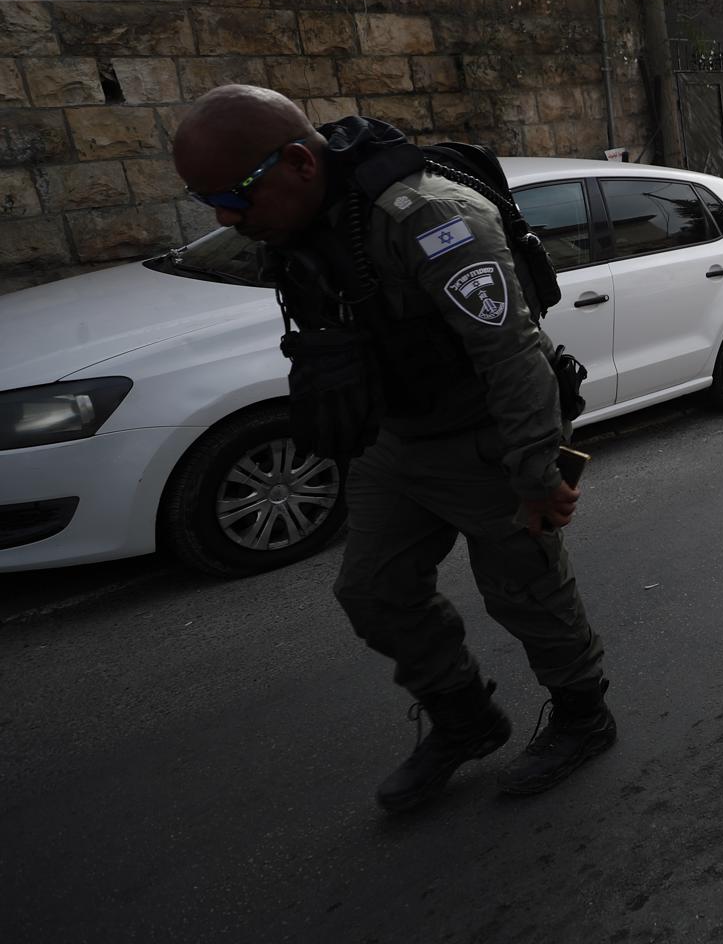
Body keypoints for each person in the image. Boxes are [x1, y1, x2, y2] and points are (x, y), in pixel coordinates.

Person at [170, 85, 614, 813]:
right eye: (206, 201)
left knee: (526, 592)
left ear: (297, 164)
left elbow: (512, 354)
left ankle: (583, 715)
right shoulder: (301, 224)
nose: (225, 215)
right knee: (372, 592)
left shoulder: (431, 218)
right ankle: (465, 718)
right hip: (395, 443)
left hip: (484, 445)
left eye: (233, 194)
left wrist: (537, 473)